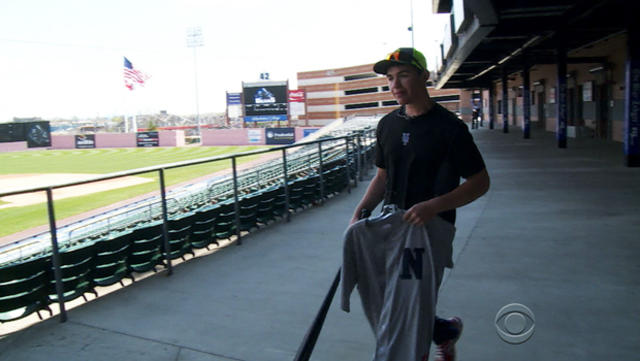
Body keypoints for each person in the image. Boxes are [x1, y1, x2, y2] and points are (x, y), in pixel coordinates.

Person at [349, 48, 490, 361]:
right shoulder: (387, 125)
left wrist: (433, 206)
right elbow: (383, 175)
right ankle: (444, 331)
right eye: (389, 78)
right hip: (391, 226)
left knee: (411, 305)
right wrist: (361, 211)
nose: (395, 84)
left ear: (424, 77)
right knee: (389, 299)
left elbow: (480, 182)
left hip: (430, 230)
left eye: (404, 75)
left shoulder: (450, 128)